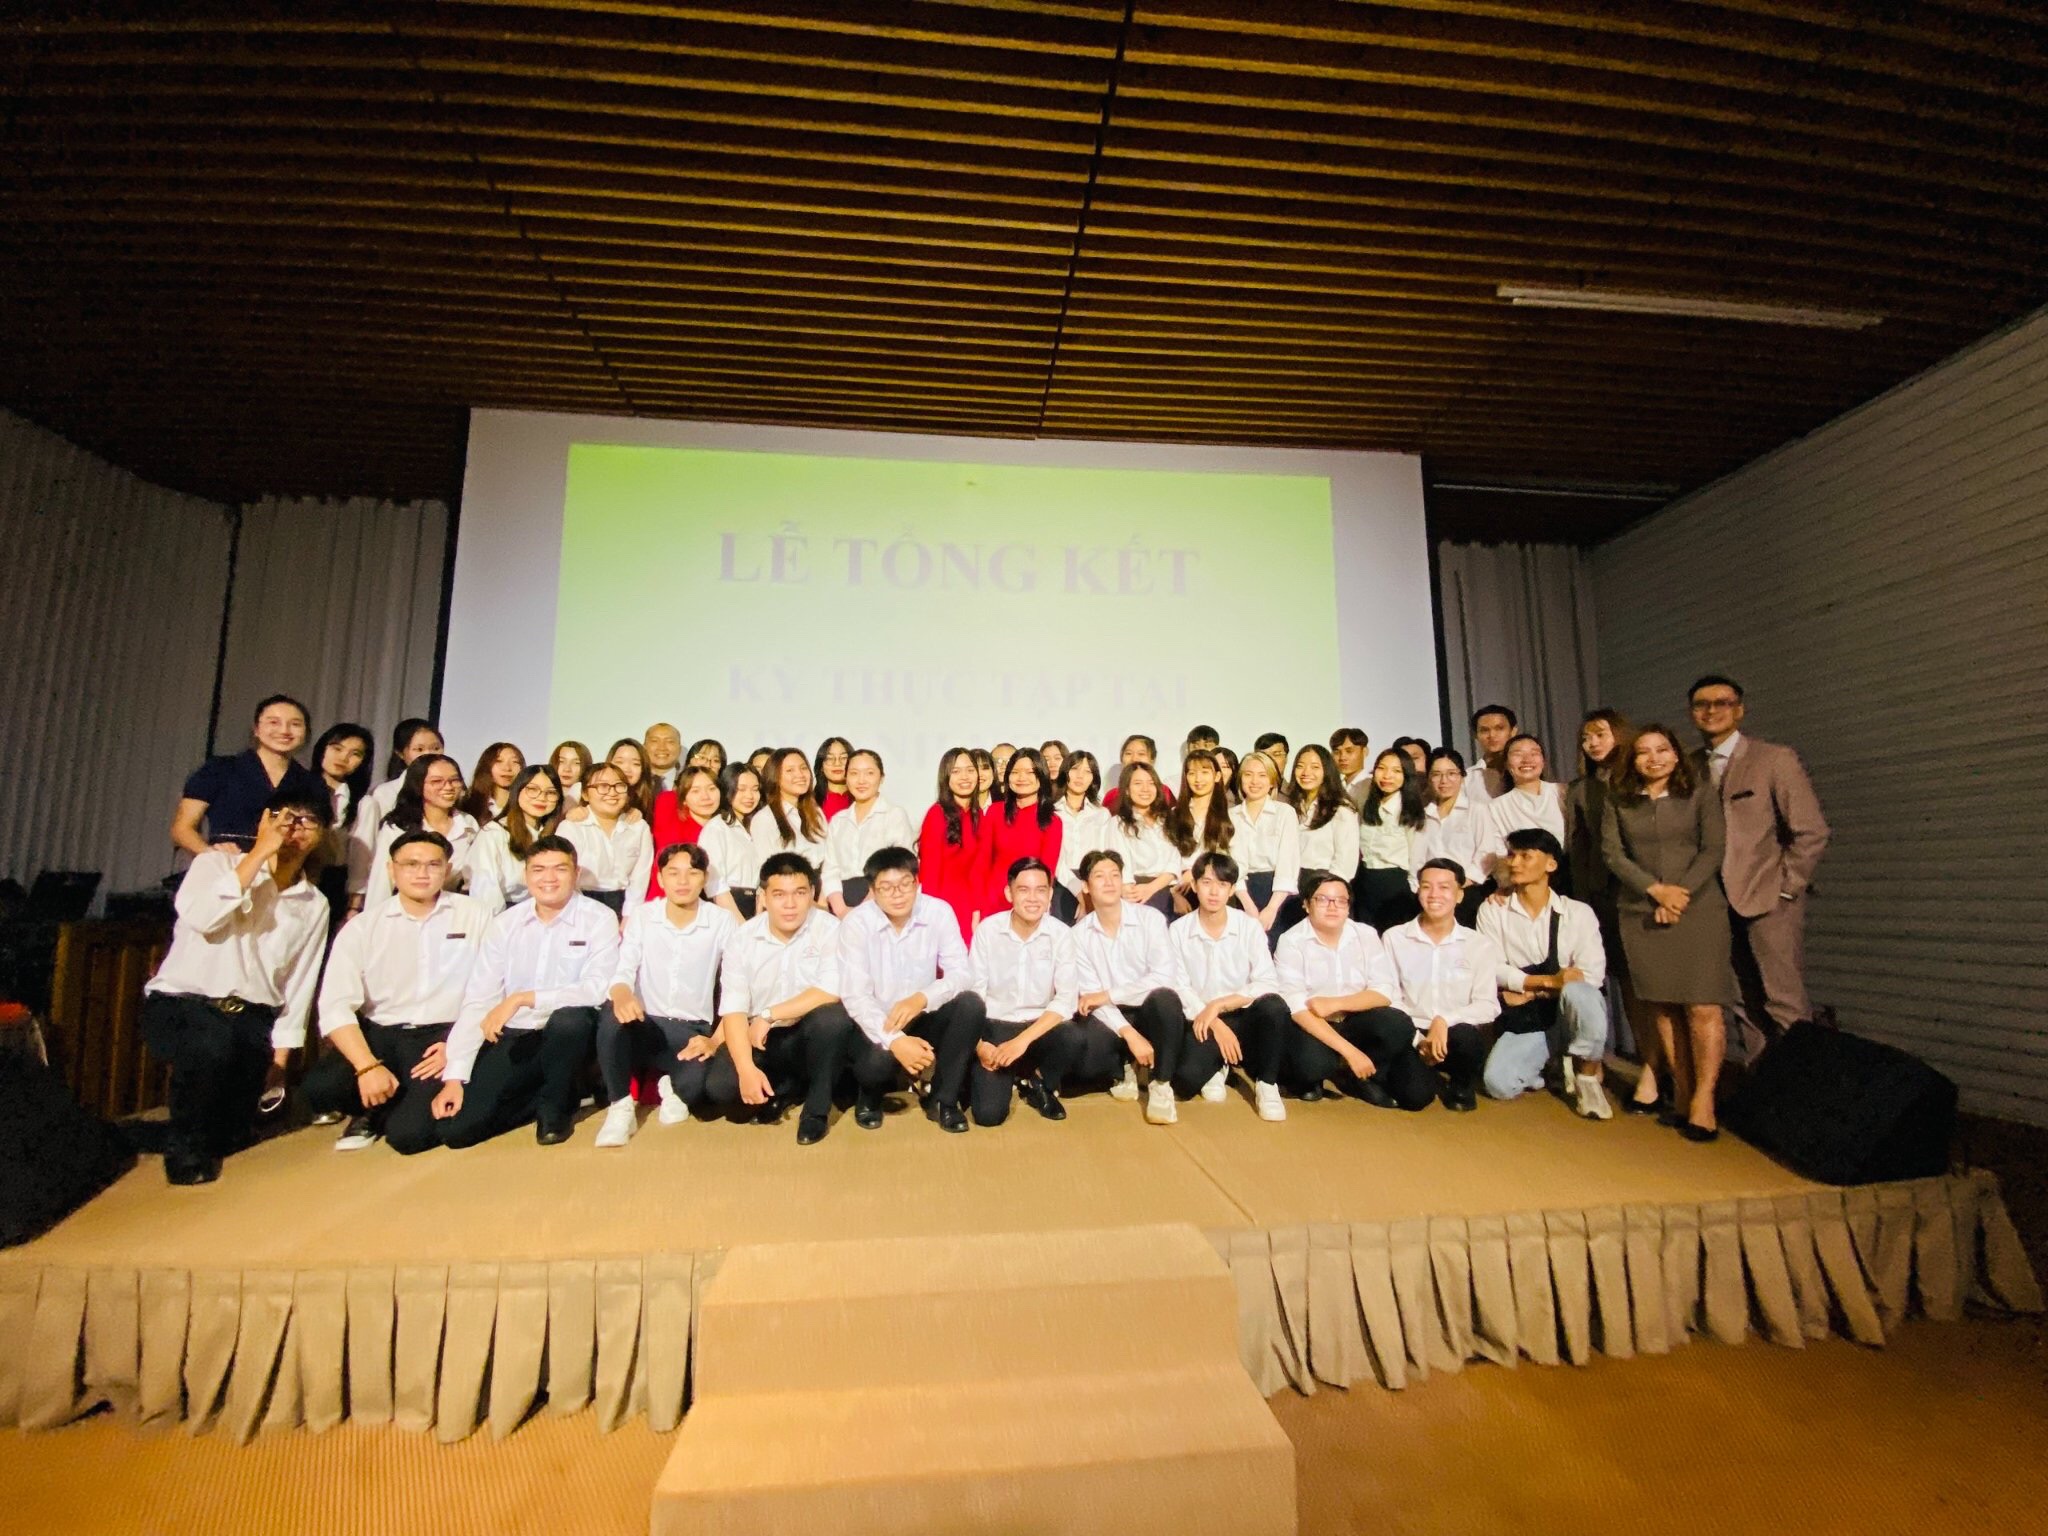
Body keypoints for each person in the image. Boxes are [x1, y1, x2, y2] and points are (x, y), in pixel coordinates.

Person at [141, 787, 333, 1182]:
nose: (294, 829)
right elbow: (204, 918)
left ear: (321, 836)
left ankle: (144, 1135)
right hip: (184, 1003)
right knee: (210, 1046)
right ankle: (184, 1161)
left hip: (250, 1018)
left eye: (308, 822)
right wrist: (259, 854)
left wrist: (280, 1062)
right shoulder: (214, 864)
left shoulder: (314, 903)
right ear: (263, 822)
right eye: (285, 818)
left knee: (233, 1132)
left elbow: (299, 982)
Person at [390, 835, 613, 1151]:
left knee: (570, 1021)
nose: (549, 878)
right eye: (538, 870)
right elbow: (480, 999)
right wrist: (455, 1077)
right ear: (526, 875)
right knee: (457, 1131)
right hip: (516, 1034)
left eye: (560, 869)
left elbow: (597, 988)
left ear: (576, 874)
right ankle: (550, 1094)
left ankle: (556, 1107)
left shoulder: (599, 918)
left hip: (571, 1035)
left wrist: (523, 998)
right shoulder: (506, 924)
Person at [303, 831, 490, 1151]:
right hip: (381, 1034)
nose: (422, 873)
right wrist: (367, 1066)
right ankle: (372, 1105)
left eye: (433, 865)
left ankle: (387, 1107)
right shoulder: (364, 927)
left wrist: (457, 1045)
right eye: (411, 864)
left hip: (442, 1034)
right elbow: (335, 1005)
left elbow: (491, 989)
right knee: (320, 1088)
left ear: (447, 870)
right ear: (392, 870)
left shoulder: (475, 915)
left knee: (409, 1136)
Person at [1601, 724, 1735, 1141]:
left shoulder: (1699, 793)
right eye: (1644, 752)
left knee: (1702, 1006)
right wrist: (1656, 891)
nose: (1654, 758)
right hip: (1641, 909)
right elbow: (1613, 854)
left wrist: (1678, 895)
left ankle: (1704, 1100)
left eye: (1662, 750)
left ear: (1677, 755)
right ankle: (1681, 1090)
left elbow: (1713, 849)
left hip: (1699, 909)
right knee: (1662, 1007)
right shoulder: (1619, 798)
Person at [1688, 675, 1831, 1042]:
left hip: (1767, 899)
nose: (1711, 711)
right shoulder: (1689, 767)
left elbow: (1811, 831)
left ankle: (1800, 1077)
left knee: (1784, 1002)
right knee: (1742, 1003)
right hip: (1714, 904)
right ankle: (1761, 1075)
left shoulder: (1773, 759)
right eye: (1702, 704)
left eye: (1722, 703)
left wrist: (1786, 888)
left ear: (1739, 710)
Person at [703, 851, 855, 1145]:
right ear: (763, 897)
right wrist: (746, 1069)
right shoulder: (742, 939)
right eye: (779, 894)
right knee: (722, 1089)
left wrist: (769, 1014)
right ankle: (788, 1088)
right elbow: (734, 1010)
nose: (790, 904)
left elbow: (830, 990)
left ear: (812, 893)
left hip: (809, 1032)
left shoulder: (830, 929)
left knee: (832, 1019)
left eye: (799, 893)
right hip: (762, 1038)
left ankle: (816, 1109)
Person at [593, 843, 739, 1147]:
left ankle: (671, 1085)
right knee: (612, 1011)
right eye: (673, 873)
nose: (682, 881)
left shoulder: (721, 921)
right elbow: (623, 970)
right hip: (645, 1023)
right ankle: (620, 1107)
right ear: (660, 878)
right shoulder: (645, 916)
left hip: (690, 1030)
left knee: (698, 1089)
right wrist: (622, 994)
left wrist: (714, 1040)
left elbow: (736, 985)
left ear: (704, 878)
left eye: (692, 873)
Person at [1473, 829, 1613, 1118]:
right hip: (1532, 1018)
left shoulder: (1578, 913)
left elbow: (1590, 976)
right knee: (1498, 1083)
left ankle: (1587, 1076)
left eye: (1526, 856)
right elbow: (1492, 968)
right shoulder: (1493, 910)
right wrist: (1548, 982)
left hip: (1567, 1009)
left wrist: (1529, 990)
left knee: (1583, 994)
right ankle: (1550, 1063)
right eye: (1511, 855)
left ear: (1551, 864)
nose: (1514, 863)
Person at [840, 847, 978, 1133]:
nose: (898, 894)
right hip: (877, 1021)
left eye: (905, 884)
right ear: (872, 891)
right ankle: (869, 1096)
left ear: (917, 882)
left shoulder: (938, 911)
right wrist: (896, 1040)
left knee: (971, 1004)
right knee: (876, 1063)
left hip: (922, 1013)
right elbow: (856, 996)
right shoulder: (856, 924)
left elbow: (962, 973)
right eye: (886, 887)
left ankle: (943, 1100)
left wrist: (922, 998)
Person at [1276, 872, 1433, 1109]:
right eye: (1323, 899)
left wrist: (1336, 1003)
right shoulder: (1291, 941)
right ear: (1306, 904)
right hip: (1316, 1025)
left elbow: (1383, 991)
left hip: (1357, 1021)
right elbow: (1297, 1008)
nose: (1333, 907)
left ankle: (1356, 1076)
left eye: (1341, 900)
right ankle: (1337, 1070)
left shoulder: (1365, 934)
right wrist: (1350, 1053)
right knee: (1311, 1066)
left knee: (1415, 1086)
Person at [1066, 850, 1196, 1125]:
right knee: (1083, 1063)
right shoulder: (1077, 935)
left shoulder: (1151, 919)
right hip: (1111, 1016)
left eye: (1115, 875)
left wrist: (1108, 994)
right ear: (1086, 886)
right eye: (1100, 876)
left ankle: (1161, 1083)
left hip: (1148, 1010)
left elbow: (1164, 977)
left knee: (1166, 999)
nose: (1109, 882)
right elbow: (1090, 997)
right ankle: (1124, 1066)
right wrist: (1129, 1034)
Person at [1168, 851, 1291, 1122]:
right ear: (1194, 885)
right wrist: (1214, 1021)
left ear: (1232, 889)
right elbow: (1179, 986)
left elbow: (1266, 981)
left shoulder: (1249, 927)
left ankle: (1267, 1084)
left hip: (1243, 1013)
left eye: (1222, 884)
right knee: (1185, 1081)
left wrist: (1220, 1005)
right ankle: (1219, 1063)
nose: (1214, 892)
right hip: (1202, 1018)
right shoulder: (1178, 931)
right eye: (1207, 882)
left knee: (1274, 1005)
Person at [964, 857, 1083, 1125]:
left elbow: (1066, 1000)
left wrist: (1022, 1042)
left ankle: (1038, 1082)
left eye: (1040, 890)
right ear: (1009, 893)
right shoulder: (988, 930)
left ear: (1050, 894)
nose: (1032, 898)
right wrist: (980, 1046)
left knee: (1073, 1036)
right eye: (1023, 890)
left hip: (1038, 1027)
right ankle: (996, 1076)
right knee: (988, 1116)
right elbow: (973, 995)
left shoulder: (1061, 934)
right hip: (996, 1025)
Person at [1382, 860, 1504, 1111]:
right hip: (1412, 1031)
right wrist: (1418, 1039)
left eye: (1444, 887)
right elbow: (1388, 995)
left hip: (1455, 1032)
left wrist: (1444, 1021)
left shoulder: (1479, 945)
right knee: (1414, 1098)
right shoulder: (1395, 937)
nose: (1434, 894)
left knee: (1467, 1037)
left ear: (1459, 895)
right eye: (1427, 887)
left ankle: (1461, 1085)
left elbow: (1487, 1005)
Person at [172, 693, 324, 855]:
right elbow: (182, 828)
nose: (284, 730)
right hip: (228, 861)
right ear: (256, 729)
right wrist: (210, 853)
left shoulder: (312, 783)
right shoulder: (219, 769)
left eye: (295, 724)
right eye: (274, 722)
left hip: (283, 865)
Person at [361, 753, 480, 911]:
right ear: (418, 785)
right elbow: (381, 882)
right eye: (437, 781)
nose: (448, 787)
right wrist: (375, 919)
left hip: (452, 910)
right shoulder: (399, 827)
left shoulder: (468, 824)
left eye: (454, 780)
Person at [1566, 710, 1635, 973]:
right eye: (1586, 738)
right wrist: (1583, 898)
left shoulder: (1638, 778)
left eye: (1600, 735)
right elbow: (1579, 847)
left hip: (1644, 884)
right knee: (1623, 970)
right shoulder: (1580, 788)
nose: (1592, 743)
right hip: (1605, 890)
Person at [347, 719, 445, 898]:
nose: (429, 754)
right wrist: (358, 894)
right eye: (419, 749)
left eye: (436, 748)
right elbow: (369, 848)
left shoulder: (453, 792)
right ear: (401, 753)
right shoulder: (385, 793)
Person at [821, 748, 915, 913]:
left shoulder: (893, 815)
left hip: (881, 900)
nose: (861, 780)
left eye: (869, 773)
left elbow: (898, 865)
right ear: (846, 777)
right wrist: (841, 910)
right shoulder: (838, 821)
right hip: (841, 903)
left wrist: (864, 910)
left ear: (881, 777)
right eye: (854, 773)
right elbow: (830, 871)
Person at [647, 766, 747, 918]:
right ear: (683, 799)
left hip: (706, 909)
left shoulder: (725, 829)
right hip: (662, 905)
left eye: (711, 789)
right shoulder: (669, 811)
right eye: (695, 791)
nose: (705, 797)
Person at [465, 765, 564, 917]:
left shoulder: (556, 834)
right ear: (517, 791)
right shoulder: (494, 833)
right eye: (533, 789)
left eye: (550, 793)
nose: (542, 798)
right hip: (505, 914)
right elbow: (486, 890)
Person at [1282, 745, 1359, 934]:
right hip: (1293, 886)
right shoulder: (1291, 806)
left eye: (1315, 767)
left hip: (1324, 885)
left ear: (1327, 771)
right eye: (1300, 766)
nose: (1306, 772)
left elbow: (1345, 863)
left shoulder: (1341, 809)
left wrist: (1326, 894)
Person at [559, 761, 655, 913]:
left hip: (624, 904)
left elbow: (640, 877)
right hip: (580, 904)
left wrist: (629, 915)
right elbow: (563, 874)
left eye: (619, 786)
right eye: (603, 786)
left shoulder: (639, 827)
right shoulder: (571, 827)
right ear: (585, 794)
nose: (612, 792)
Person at [979, 748, 1063, 920]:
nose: (1021, 777)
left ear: (1041, 775)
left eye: (1030, 772)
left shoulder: (1052, 821)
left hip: (1029, 903)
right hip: (992, 902)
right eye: (1015, 772)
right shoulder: (995, 812)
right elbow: (982, 862)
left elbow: (1047, 872)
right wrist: (978, 905)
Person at [1228, 750, 1300, 938]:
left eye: (1262, 775)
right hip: (1241, 893)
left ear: (1272, 781)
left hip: (1278, 893)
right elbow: (1234, 864)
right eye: (1248, 774)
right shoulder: (1231, 816)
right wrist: (1248, 905)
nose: (1254, 781)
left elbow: (1288, 864)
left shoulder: (1285, 812)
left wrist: (1271, 908)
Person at [1416, 749, 1492, 926]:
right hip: (1430, 895)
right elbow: (1417, 858)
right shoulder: (1423, 815)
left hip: (1468, 892)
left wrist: (1459, 884)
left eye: (1451, 774)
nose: (1444, 781)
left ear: (1462, 777)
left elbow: (1487, 852)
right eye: (1437, 774)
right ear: (1429, 778)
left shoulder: (1477, 810)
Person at [1481, 734, 1568, 888]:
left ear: (1543, 761)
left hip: (1569, 876)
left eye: (1534, 753)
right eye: (1518, 754)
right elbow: (1499, 856)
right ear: (1506, 763)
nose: (1527, 760)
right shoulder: (1495, 808)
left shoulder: (1563, 793)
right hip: (1523, 883)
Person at [918, 747, 985, 940]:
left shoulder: (978, 815)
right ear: (946, 777)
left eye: (970, 770)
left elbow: (979, 869)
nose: (965, 777)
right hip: (942, 903)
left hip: (969, 905)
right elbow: (929, 873)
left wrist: (976, 909)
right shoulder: (936, 814)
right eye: (956, 771)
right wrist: (931, 915)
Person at [308, 721, 373, 918]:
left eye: (355, 754)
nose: (343, 758)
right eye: (337, 748)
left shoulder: (364, 803)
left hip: (333, 884)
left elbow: (361, 860)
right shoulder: (298, 787)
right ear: (322, 748)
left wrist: (354, 907)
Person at [1353, 748, 1422, 930]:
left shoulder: (1409, 810)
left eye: (1396, 771)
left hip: (1395, 883)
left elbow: (1416, 856)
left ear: (1406, 775)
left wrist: (1413, 890)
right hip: (1365, 880)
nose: (1387, 776)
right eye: (1381, 768)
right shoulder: (1366, 801)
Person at [1165, 749, 1238, 914]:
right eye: (1192, 773)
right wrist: (1174, 894)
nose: (1198, 779)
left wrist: (1195, 872)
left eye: (1205, 772)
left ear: (1217, 776)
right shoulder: (1174, 815)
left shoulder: (1230, 816)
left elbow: (1233, 859)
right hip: (1180, 890)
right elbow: (1167, 858)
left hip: (1218, 891)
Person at [1105, 762, 1179, 914]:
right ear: (1126, 790)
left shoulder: (1168, 820)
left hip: (1170, 891)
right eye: (1138, 783)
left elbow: (1175, 862)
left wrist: (1153, 888)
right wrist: (1132, 893)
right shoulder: (1118, 824)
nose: (1145, 789)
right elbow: (1121, 866)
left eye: (1151, 783)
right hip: (1138, 893)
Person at [1051, 750, 1110, 923]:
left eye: (1087, 771)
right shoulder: (1053, 812)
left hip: (1093, 882)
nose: (1080, 776)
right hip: (1061, 882)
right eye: (1075, 769)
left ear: (1093, 778)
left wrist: (1089, 888)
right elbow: (1056, 859)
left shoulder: (1101, 814)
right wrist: (1078, 890)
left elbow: (1103, 855)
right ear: (1065, 772)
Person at [752, 746, 828, 872]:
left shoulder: (816, 813)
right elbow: (766, 869)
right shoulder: (764, 819)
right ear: (775, 776)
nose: (800, 775)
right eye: (790, 770)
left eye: (803, 768)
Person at [707, 763, 766, 918]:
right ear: (727, 789)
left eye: (755, 789)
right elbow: (715, 885)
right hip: (728, 907)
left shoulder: (756, 828)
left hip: (755, 907)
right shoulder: (717, 828)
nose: (750, 796)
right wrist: (739, 923)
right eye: (741, 789)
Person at [460, 742, 525, 826]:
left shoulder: (526, 806)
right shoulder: (468, 805)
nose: (507, 768)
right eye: (499, 761)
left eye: (515, 762)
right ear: (486, 766)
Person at [1102, 735, 1173, 810]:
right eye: (1128, 753)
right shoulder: (1112, 796)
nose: (1134, 759)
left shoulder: (1165, 793)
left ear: (1152, 760)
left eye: (1141, 754)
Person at [1467, 705, 1517, 802]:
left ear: (1513, 731)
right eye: (1484, 730)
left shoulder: (1528, 770)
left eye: (1499, 728)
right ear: (1476, 735)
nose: (1492, 735)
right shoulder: (1466, 779)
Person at [605, 738, 655, 821]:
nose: (627, 769)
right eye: (620, 762)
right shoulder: (592, 793)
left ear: (643, 770)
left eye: (635, 764)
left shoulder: (649, 802)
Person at [1329, 726, 1371, 807]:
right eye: (1337, 752)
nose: (1342, 758)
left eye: (1349, 751)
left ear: (1365, 752)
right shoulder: (1336, 786)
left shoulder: (1370, 785)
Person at [814, 736, 854, 819]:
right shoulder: (808, 803)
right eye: (829, 758)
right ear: (821, 766)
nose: (837, 763)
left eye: (843, 758)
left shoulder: (864, 800)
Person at [644, 723, 683, 792]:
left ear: (679, 749)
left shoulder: (690, 781)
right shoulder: (633, 781)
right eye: (654, 741)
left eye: (669, 741)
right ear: (644, 747)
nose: (662, 748)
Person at [970, 747, 996, 812]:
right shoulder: (953, 807)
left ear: (993, 772)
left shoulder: (1007, 805)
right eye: (973, 769)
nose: (979, 774)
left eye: (985, 768)